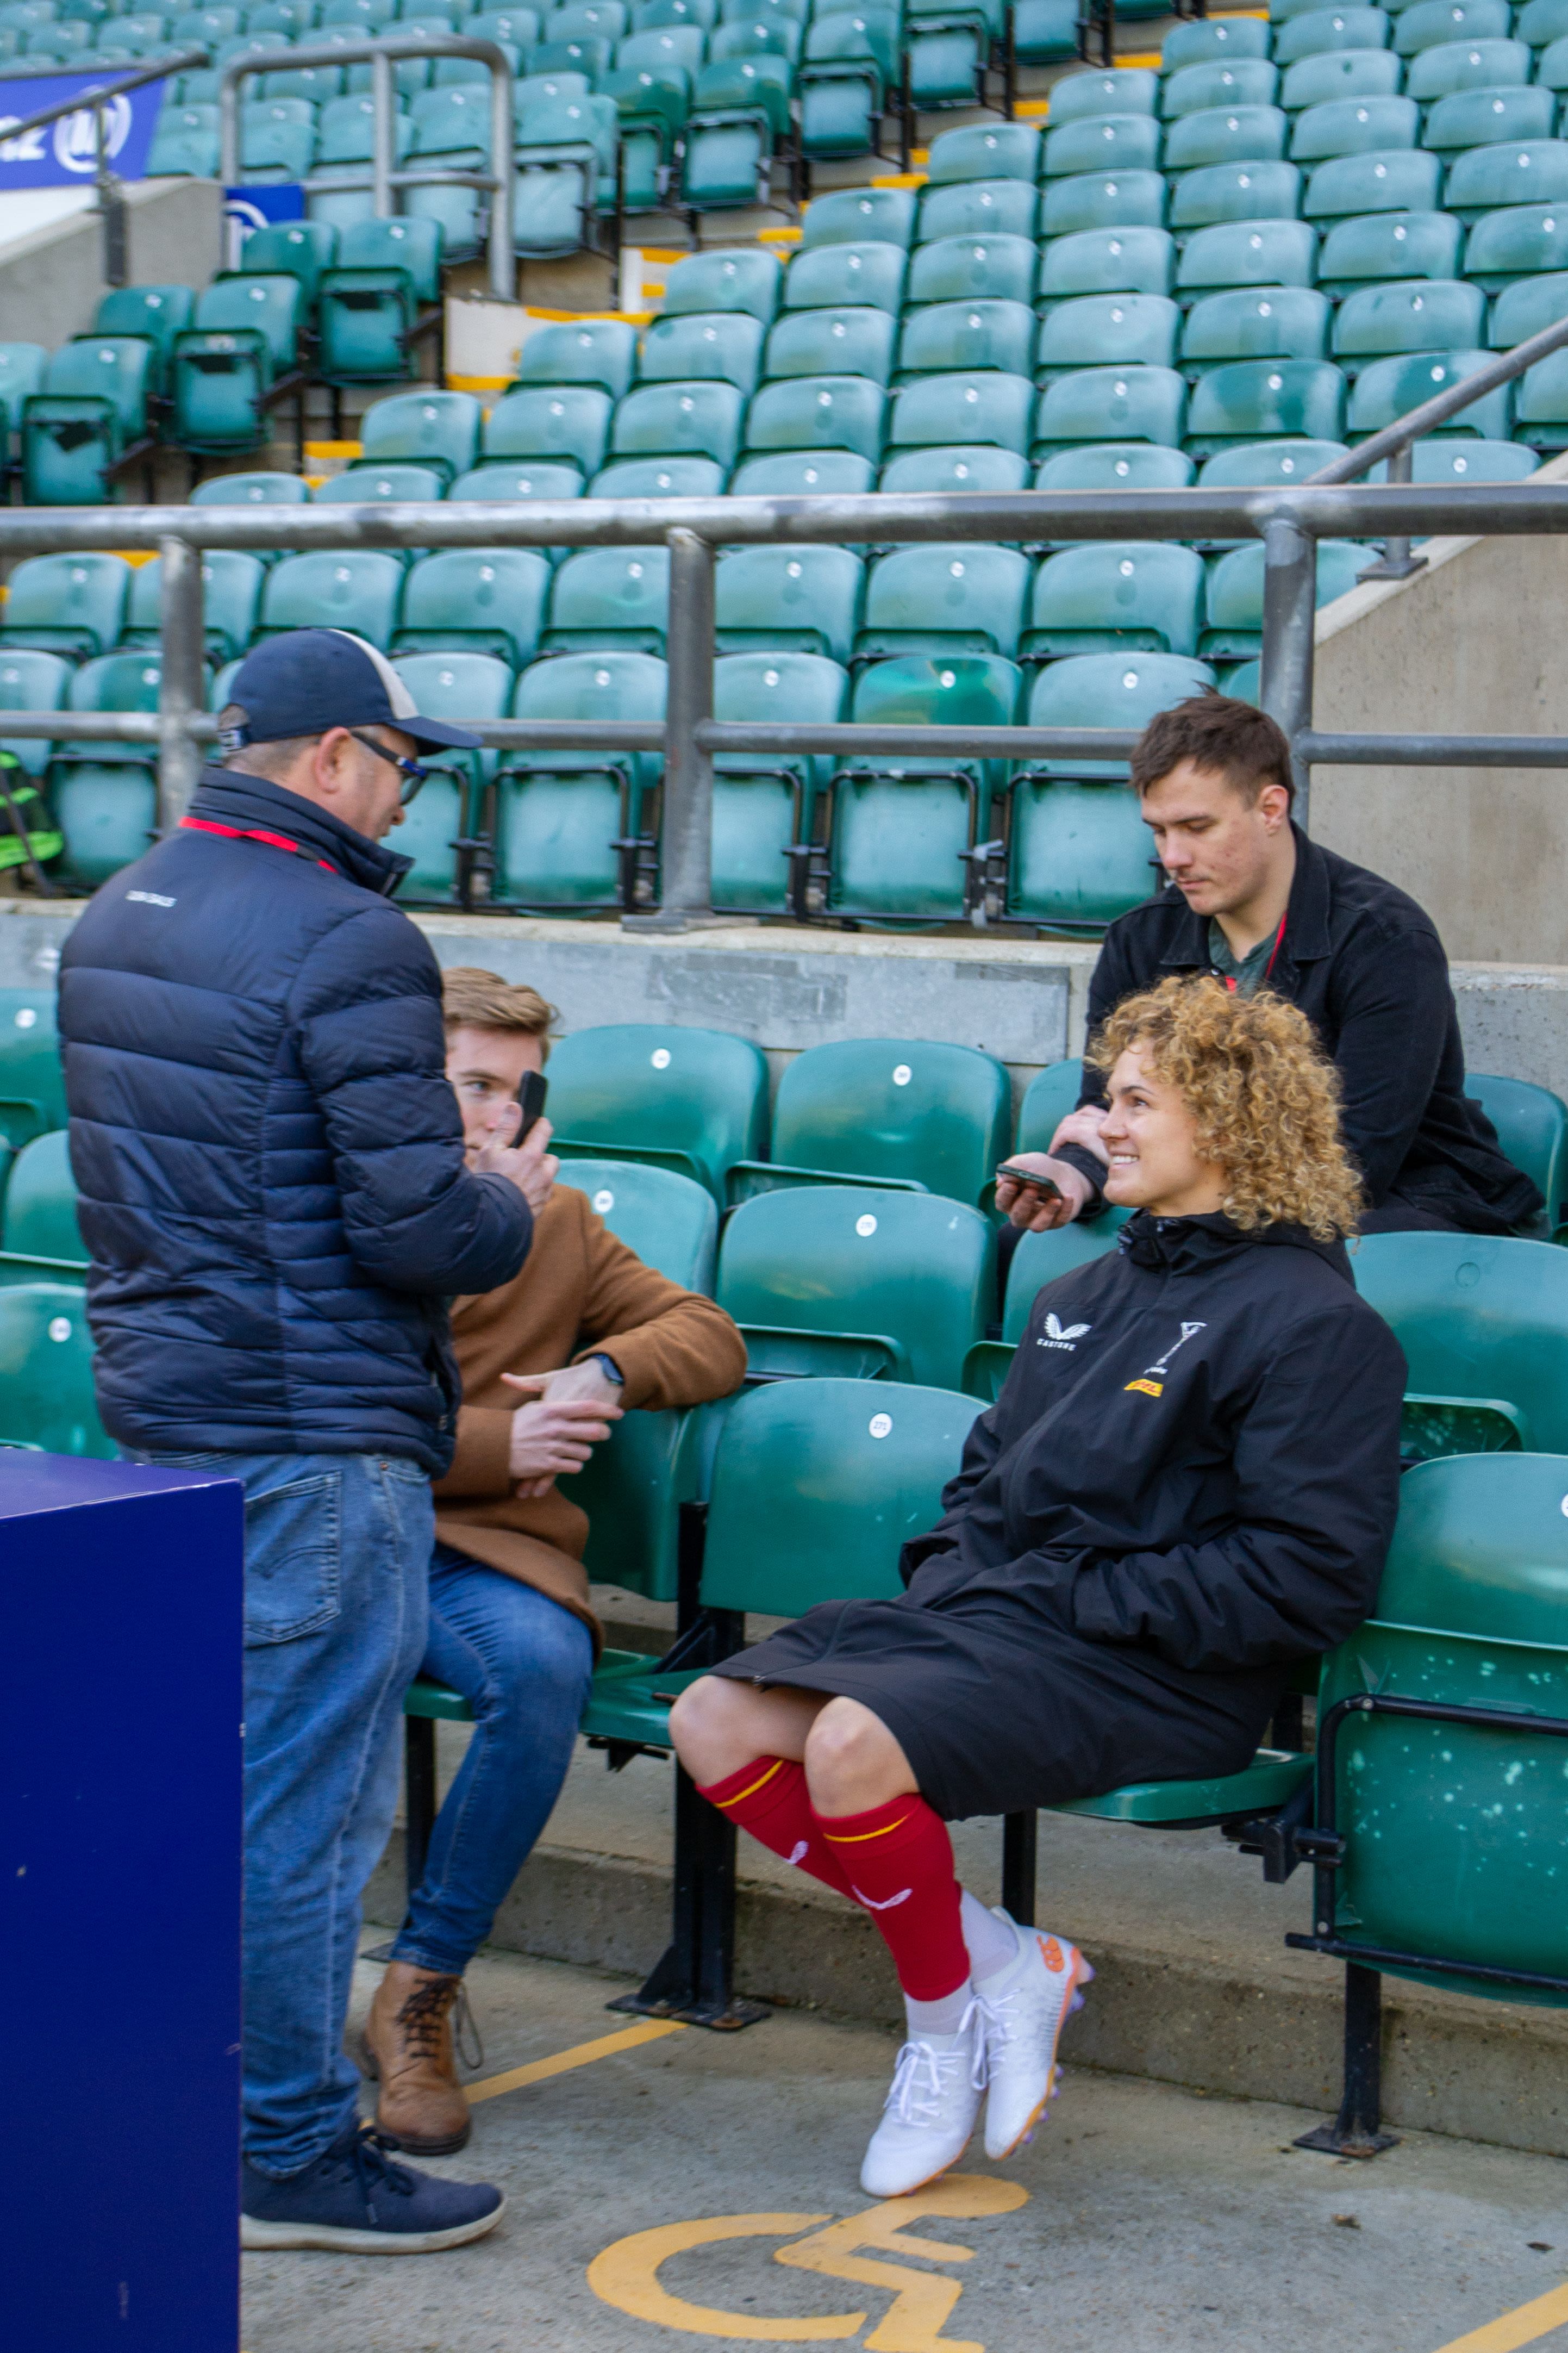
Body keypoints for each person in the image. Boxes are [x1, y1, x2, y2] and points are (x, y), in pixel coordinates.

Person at [670, 977, 1406, 2198]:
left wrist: (1076, 1598)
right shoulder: (1078, 1295)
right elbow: (979, 1490)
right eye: (1103, 1097)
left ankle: (936, 2027)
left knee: (851, 1742)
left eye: (1130, 1102)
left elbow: (1305, 1580)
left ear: (1224, 1120)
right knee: (712, 1716)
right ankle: (995, 1965)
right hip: (1005, 1622)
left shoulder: (1314, 1324)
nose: (1097, 1124)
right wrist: (966, 1585)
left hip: (1156, 1667)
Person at [58, 632, 552, 2255]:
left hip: (175, 1410)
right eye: (406, 758)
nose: (410, 787)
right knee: (306, 1808)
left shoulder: (122, 907)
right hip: (317, 1428)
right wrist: (512, 1208)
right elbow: (417, 1221)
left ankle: (188, 2101)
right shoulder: (350, 932)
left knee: (224, 1781)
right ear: (337, 752)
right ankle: (283, 2141)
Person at [360, 969, 747, 2155]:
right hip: (340, 1529)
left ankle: (416, 1990)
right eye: (467, 1083)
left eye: (510, 1092)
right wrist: (495, 1441)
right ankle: (236, 1988)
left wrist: (605, 1374)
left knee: (538, 1670)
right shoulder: (338, 1201)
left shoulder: (558, 1221)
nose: (490, 1116)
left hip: (478, 1561)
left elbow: (706, 1333)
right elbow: (316, 1410)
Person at [995, 692, 1541, 1242]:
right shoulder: (1139, 938)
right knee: (1020, 1243)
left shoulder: (1385, 939)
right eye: (1159, 830)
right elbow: (1106, 1109)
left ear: (1270, 809)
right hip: (1210, 1195)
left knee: (1247, 1258)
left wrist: (1184, 1186)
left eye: (1196, 826)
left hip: (1403, 1201)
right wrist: (1074, 1173)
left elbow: (1354, 1158)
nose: (1172, 856)